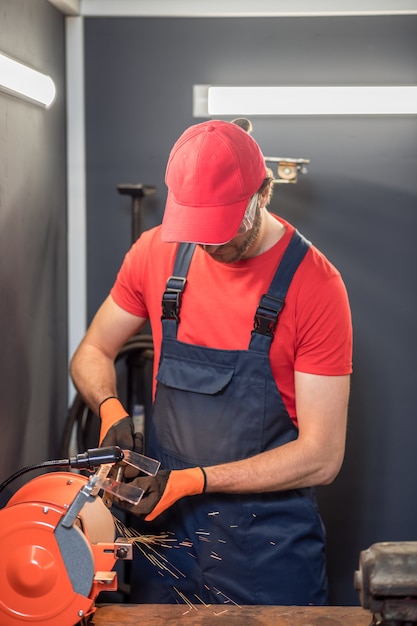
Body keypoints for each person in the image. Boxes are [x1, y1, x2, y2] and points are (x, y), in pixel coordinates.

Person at [70, 119, 352, 606]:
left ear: (263, 192)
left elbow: (322, 456)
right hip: (167, 540)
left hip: (268, 549)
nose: (210, 246)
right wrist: (110, 407)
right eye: (198, 233)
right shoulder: (154, 253)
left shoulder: (316, 286)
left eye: (221, 232)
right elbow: (92, 351)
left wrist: (194, 480)